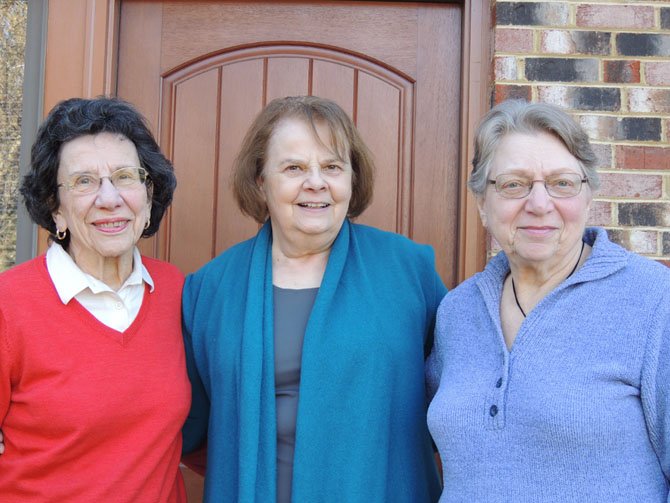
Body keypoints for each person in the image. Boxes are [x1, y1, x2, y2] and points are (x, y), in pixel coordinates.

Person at [182, 96, 446, 502]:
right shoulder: (211, 290)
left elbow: (457, 402)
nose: (316, 182)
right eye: (294, 168)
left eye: (332, 167)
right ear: (260, 181)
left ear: (351, 179)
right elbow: (191, 426)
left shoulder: (409, 271)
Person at [426, 100, 670, 501]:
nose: (539, 204)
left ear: (588, 197)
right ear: (482, 205)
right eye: (513, 185)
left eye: (561, 183)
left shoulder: (653, 299)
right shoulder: (458, 310)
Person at [0, 97, 191, 501]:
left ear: (148, 191)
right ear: (56, 209)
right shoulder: (8, 306)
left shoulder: (177, 292)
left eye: (125, 176)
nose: (109, 198)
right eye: (84, 181)